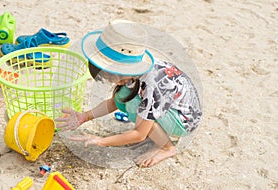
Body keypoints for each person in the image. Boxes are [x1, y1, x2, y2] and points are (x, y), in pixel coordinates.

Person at [55, 20, 202, 167]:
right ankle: (156, 132)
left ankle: (166, 147)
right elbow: (113, 103)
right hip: (171, 107)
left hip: (184, 120)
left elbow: (139, 134)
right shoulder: (135, 72)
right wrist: (84, 116)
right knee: (123, 95)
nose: (112, 81)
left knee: (134, 104)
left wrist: (101, 141)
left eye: (112, 75)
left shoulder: (152, 85)